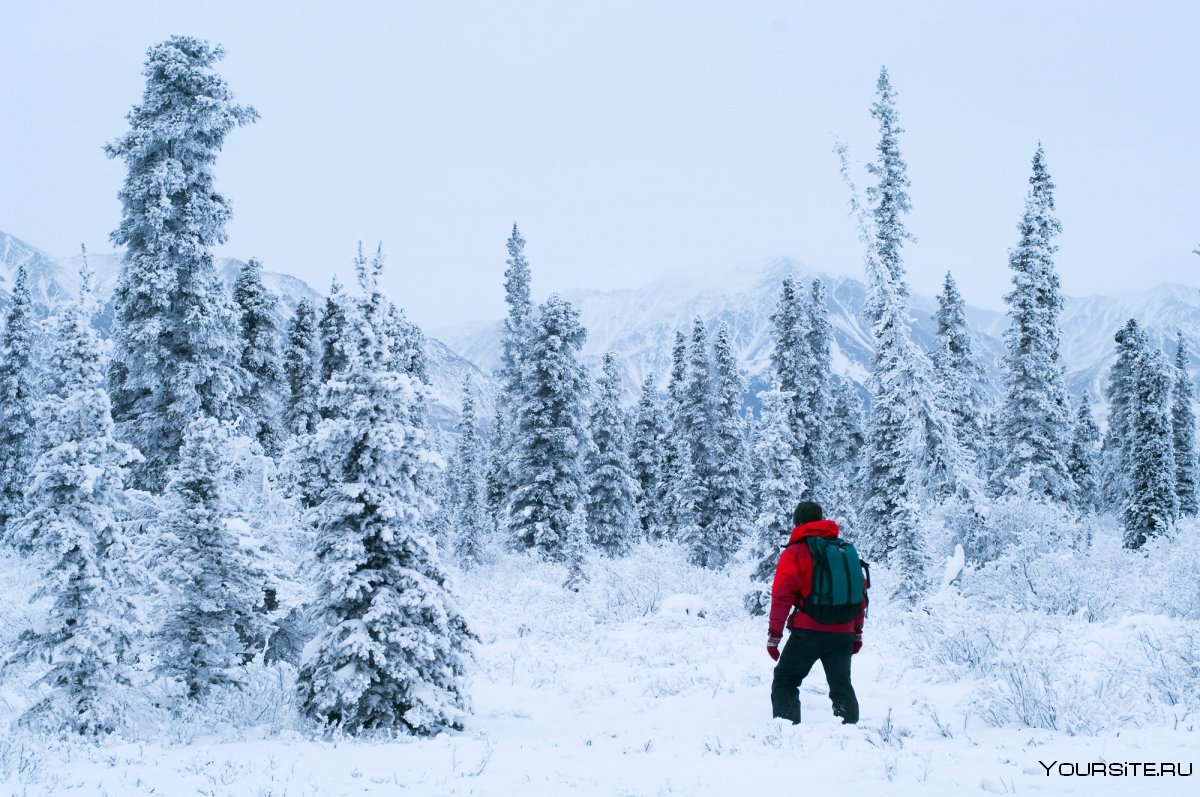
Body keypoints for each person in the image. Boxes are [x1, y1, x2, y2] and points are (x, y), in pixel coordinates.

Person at [767, 500, 865, 724]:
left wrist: (774, 636)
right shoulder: (844, 550)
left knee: (785, 680)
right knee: (841, 686)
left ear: (797, 523)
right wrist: (857, 632)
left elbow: (781, 596)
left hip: (809, 632)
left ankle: (787, 733)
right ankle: (849, 737)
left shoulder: (796, 552)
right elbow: (860, 593)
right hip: (843, 633)